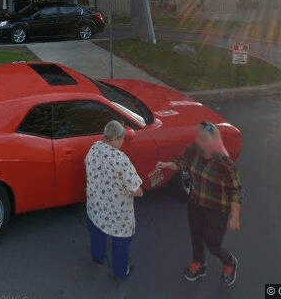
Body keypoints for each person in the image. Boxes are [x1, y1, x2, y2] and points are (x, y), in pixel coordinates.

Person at [156, 121, 243, 287]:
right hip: (195, 203)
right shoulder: (194, 150)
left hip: (217, 210)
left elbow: (236, 190)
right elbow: (183, 162)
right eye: (199, 137)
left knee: (213, 244)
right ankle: (198, 263)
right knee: (195, 236)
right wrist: (169, 165)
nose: (199, 141)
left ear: (214, 141)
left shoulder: (225, 164)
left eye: (203, 138)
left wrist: (235, 215)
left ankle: (229, 261)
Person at [85, 119, 143, 282]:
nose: (123, 142)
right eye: (122, 139)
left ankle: (98, 258)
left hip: (95, 205)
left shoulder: (95, 147)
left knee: (97, 231)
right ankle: (120, 272)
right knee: (121, 242)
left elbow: (88, 165)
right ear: (116, 138)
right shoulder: (121, 159)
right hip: (117, 212)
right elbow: (135, 190)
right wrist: (140, 191)